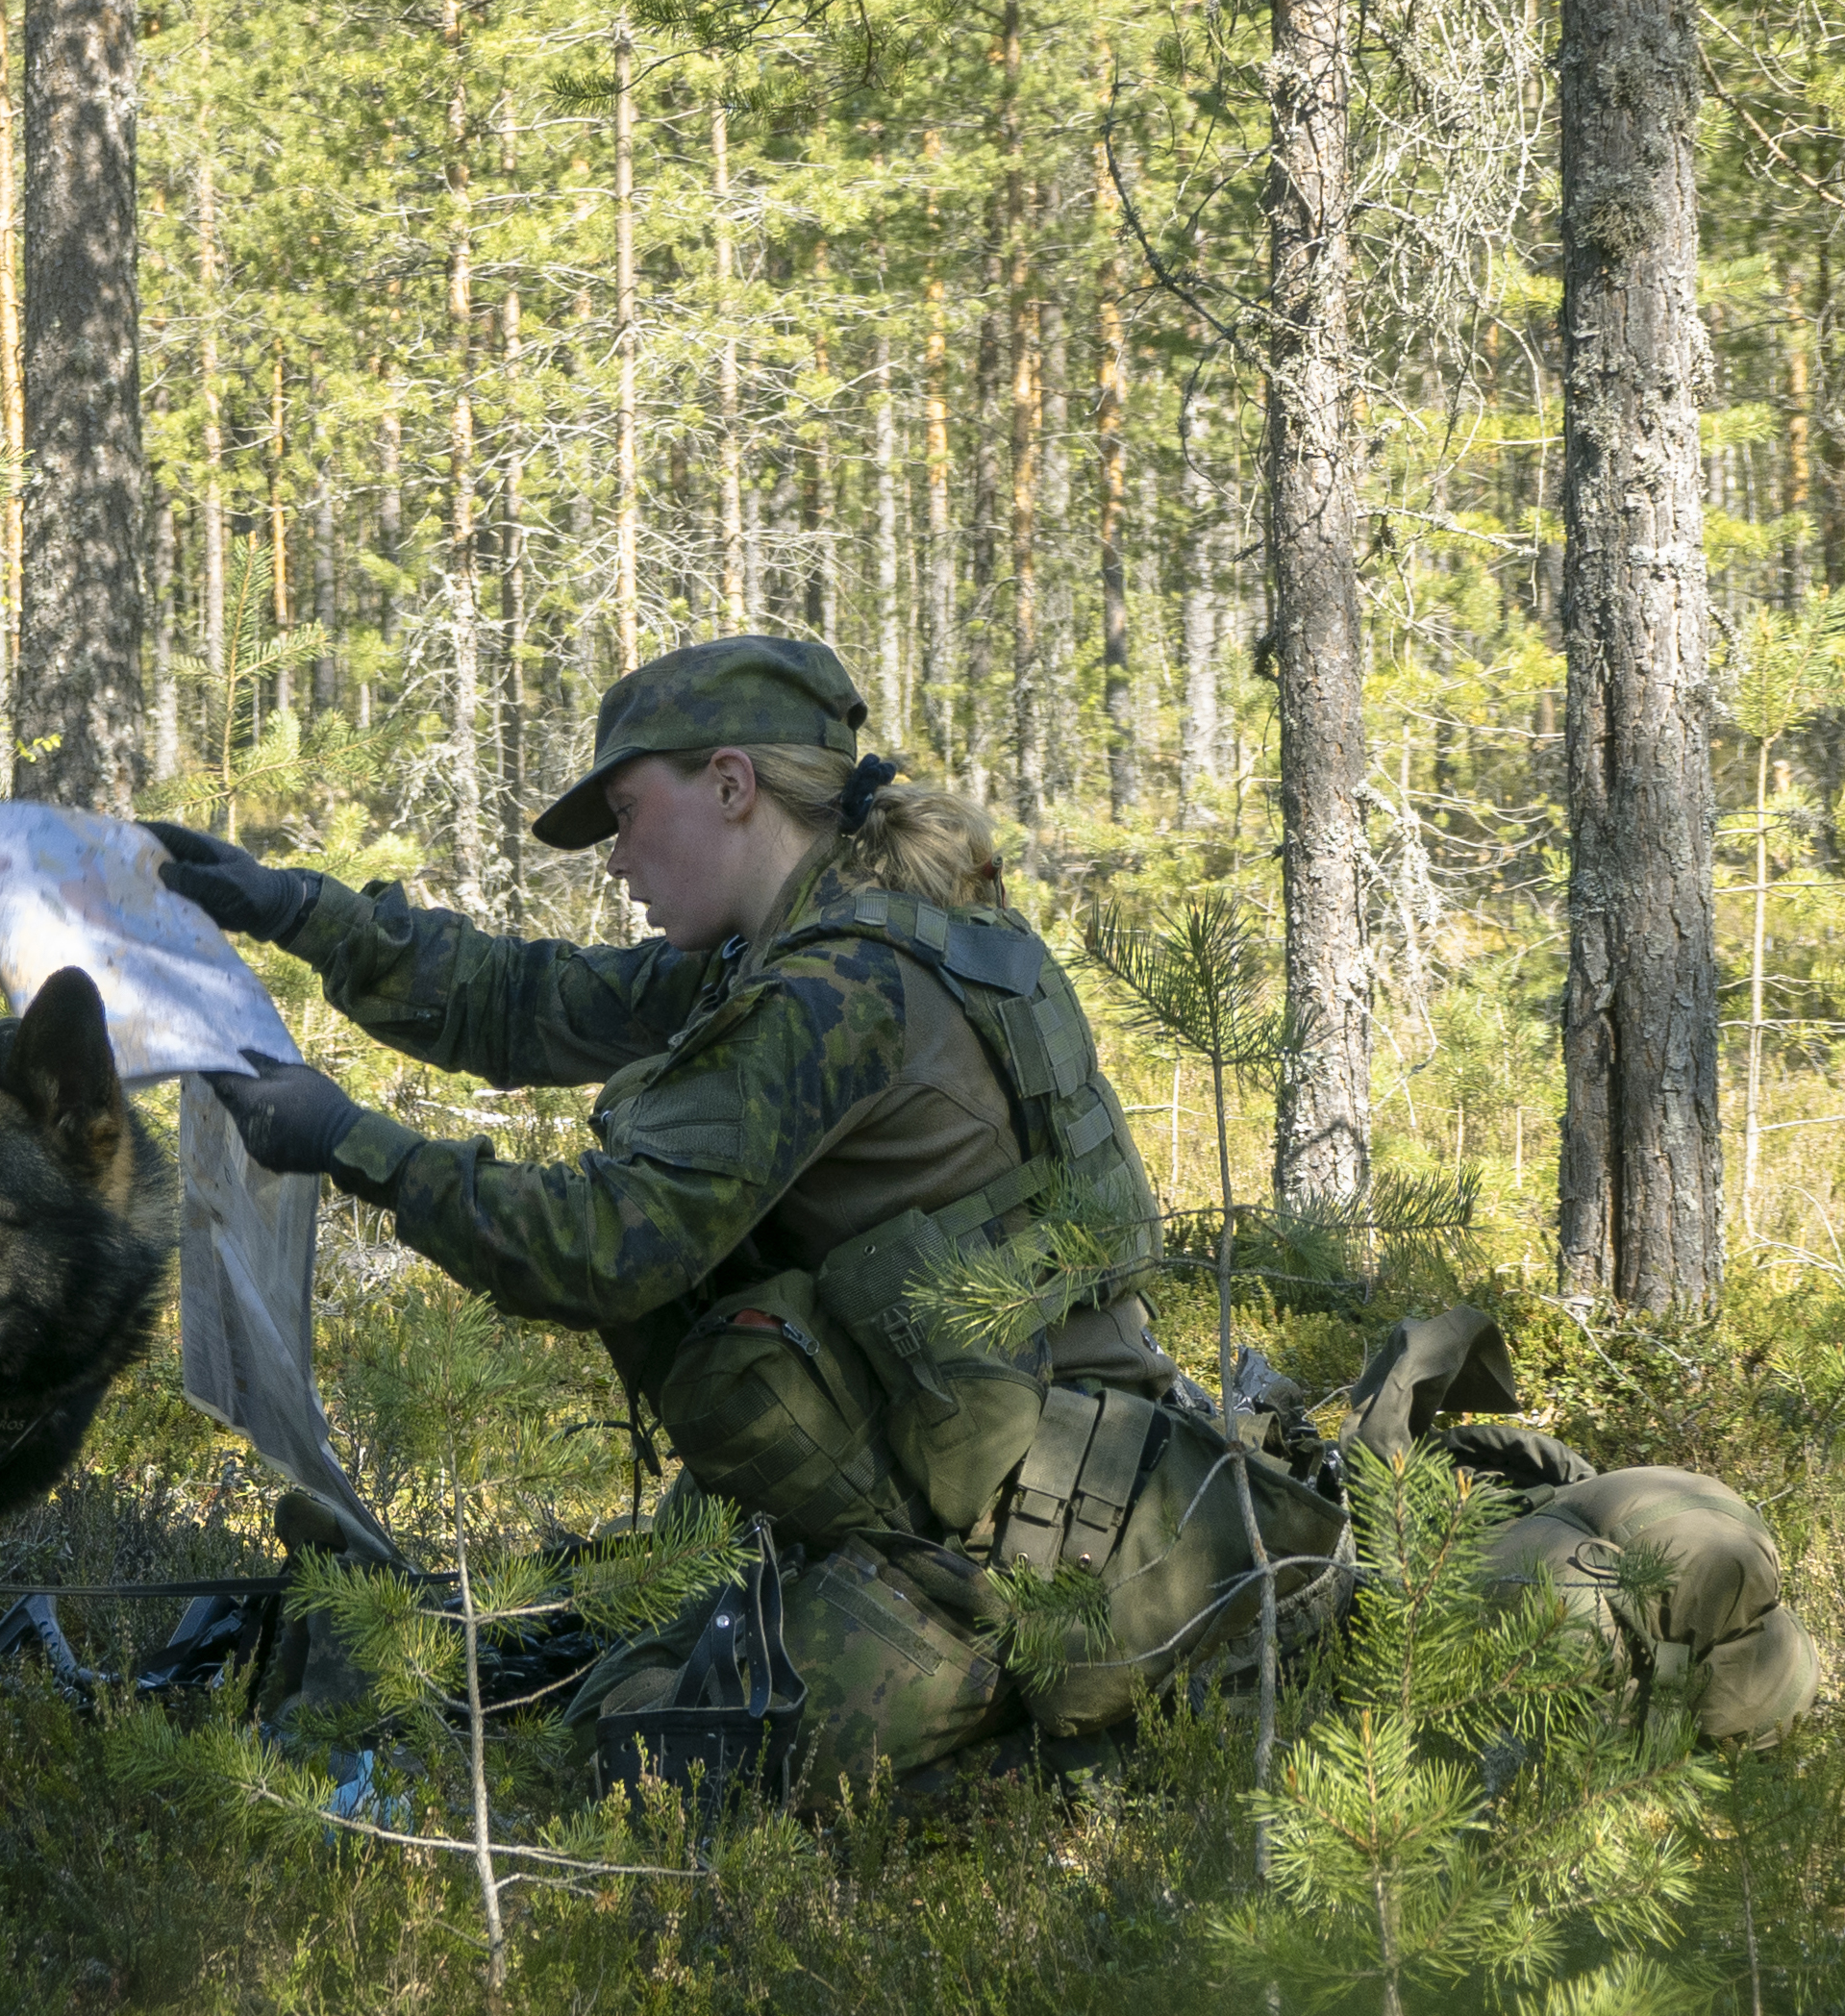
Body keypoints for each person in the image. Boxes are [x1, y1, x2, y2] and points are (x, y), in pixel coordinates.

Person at [149, 635, 1176, 1789]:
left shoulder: (835, 994)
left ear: (731, 785)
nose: (619, 859)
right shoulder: (840, 937)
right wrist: (297, 909)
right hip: (1005, 1464)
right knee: (585, 1655)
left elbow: (606, 1245)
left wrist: (354, 1144)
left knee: (630, 1760)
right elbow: (528, 1001)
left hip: (1029, 1538)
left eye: (631, 814)